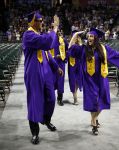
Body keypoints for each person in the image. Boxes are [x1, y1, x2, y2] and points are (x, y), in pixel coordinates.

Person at [68, 28, 119, 135]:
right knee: (93, 101)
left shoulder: (104, 49)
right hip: (89, 79)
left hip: (101, 78)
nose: (89, 38)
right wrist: (76, 34)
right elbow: (71, 48)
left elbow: (116, 54)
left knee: (104, 100)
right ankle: (94, 124)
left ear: (95, 38)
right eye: (88, 36)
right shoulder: (84, 49)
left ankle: (94, 118)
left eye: (91, 36)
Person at [22, 11, 63, 144]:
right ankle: (35, 132)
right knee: (35, 102)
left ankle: (46, 119)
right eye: (39, 21)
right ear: (32, 22)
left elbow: (47, 54)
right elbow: (46, 43)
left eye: (42, 21)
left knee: (51, 98)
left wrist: (56, 67)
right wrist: (54, 28)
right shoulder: (28, 35)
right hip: (33, 72)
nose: (41, 23)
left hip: (46, 72)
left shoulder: (38, 35)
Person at [50, 28, 68, 106]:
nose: (58, 33)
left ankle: (60, 99)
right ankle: (51, 98)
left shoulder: (63, 41)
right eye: (57, 31)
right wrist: (54, 57)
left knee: (60, 81)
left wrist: (63, 56)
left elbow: (68, 50)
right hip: (52, 63)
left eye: (59, 31)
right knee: (52, 80)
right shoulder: (50, 40)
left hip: (61, 63)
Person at [68, 30, 83, 105]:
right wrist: (76, 34)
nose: (77, 38)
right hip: (72, 65)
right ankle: (75, 98)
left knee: (78, 81)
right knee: (73, 81)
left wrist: (80, 43)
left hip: (79, 64)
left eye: (78, 37)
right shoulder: (72, 45)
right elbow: (69, 47)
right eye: (76, 37)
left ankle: (75, 94)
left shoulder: (80, 45)